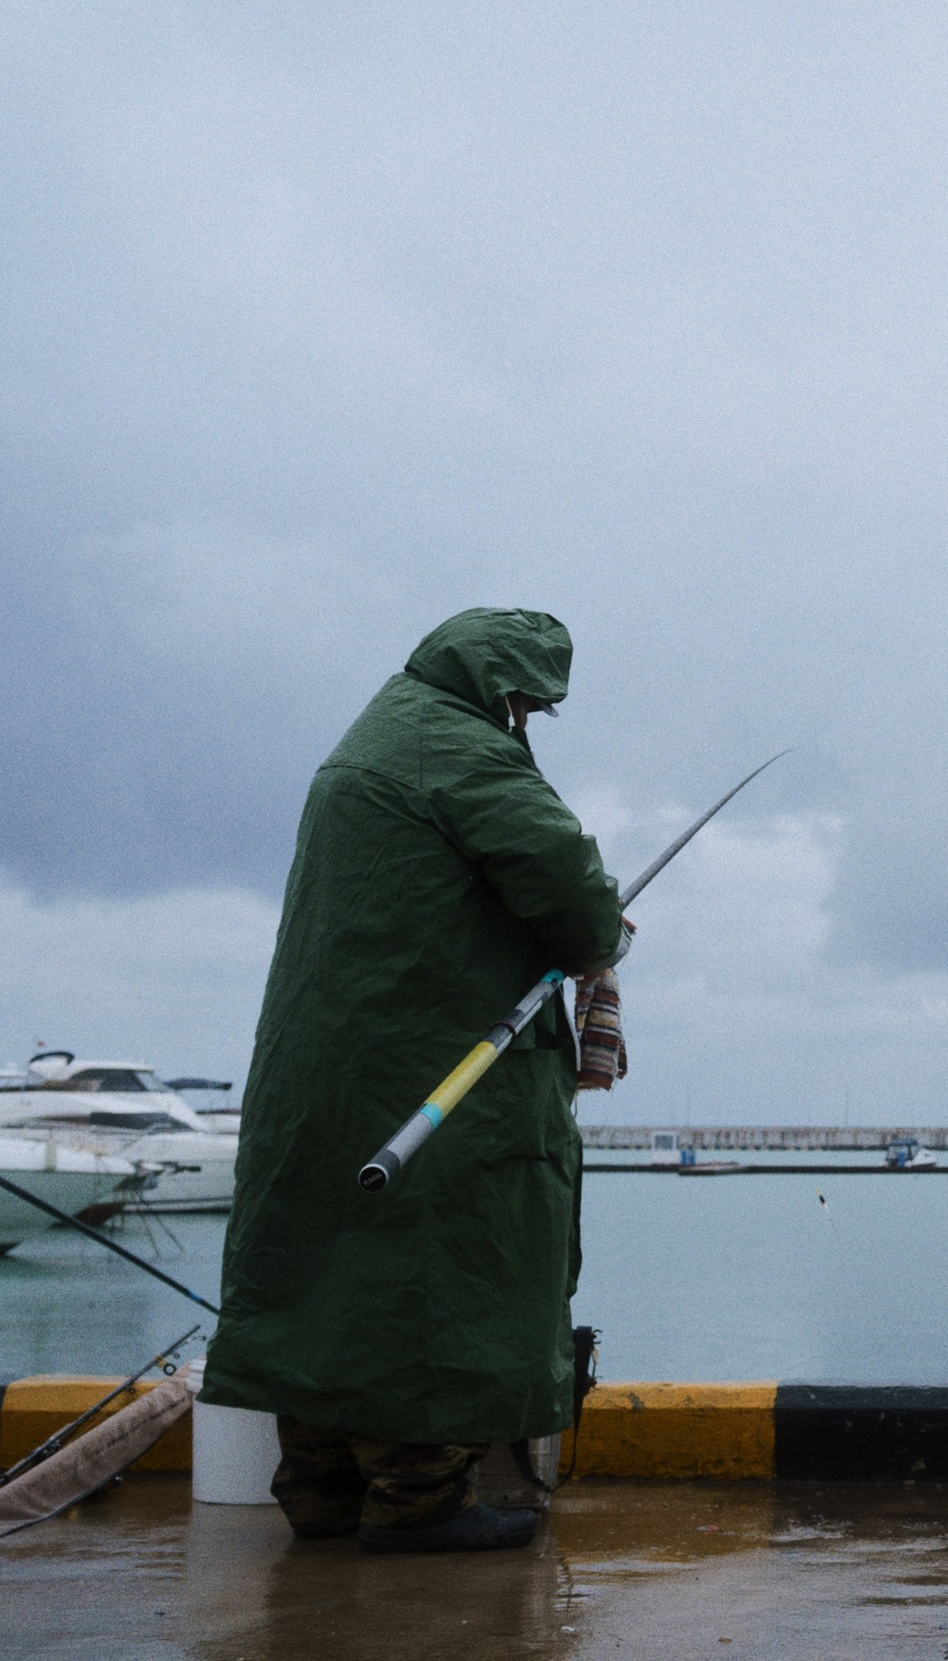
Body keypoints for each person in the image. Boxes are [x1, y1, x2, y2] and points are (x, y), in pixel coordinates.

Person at [203, 609, 626, 1553]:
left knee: (328, 1273)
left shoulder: (373, 736)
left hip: (323, 1070)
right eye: (528, 700)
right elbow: (569, 884)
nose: (527, 717)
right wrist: (603, 939)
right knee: (440, 1264)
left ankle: (318, 1494)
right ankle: (419, 1499)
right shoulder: (461, 749)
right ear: (501, 685)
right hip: (428, 1062)